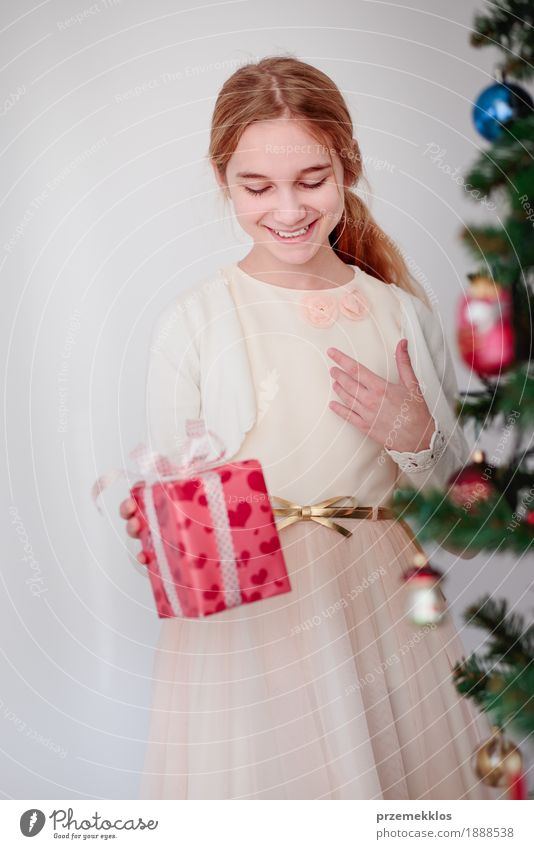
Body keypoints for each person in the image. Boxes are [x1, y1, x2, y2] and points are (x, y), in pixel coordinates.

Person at [119, 55, 498, 800]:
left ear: (347, 166)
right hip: (251, 625)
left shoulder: (398, 314)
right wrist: (163, 527)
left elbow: (463, 521)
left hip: (382, 613)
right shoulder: (193, 321)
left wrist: (415, 433)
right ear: (223, 179)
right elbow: (179, 522)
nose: (288, 209)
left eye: (312, 180)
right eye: (257, 187)